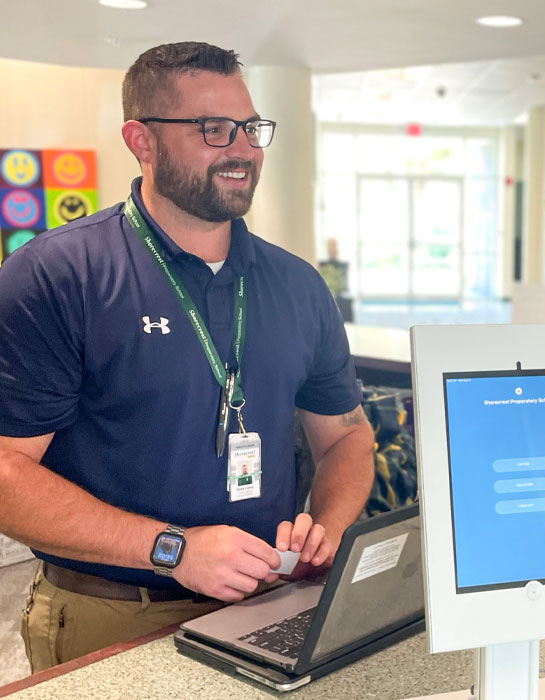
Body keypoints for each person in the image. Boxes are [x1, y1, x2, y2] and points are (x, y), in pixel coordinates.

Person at [0, 42, 374, 672]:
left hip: (270, 598)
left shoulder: (298, 285)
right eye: (213, 129)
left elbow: (346, 436)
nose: (243, 149)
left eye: (250, 128)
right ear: (140, 141)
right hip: (117, 608)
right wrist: (172, 549)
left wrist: (327, 526)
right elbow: (7, 473)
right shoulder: (58, 275)